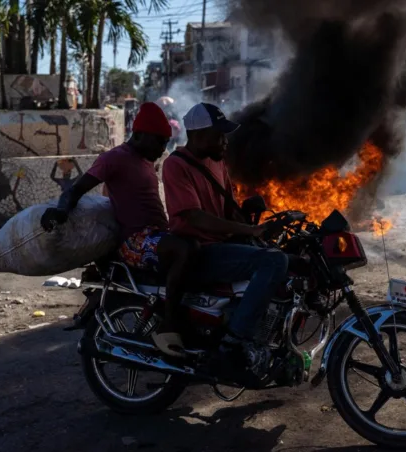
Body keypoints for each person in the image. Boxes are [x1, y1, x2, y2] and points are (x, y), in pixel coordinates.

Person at [41, 102, 198, 357]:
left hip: (156, 236)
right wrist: (60, 211)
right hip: (134, 241)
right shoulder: (114, 158)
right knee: (184, 249)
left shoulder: (146, 161)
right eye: (159, 141)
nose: (162, 149)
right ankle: (170, 325)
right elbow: (76, 189)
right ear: (138, 135)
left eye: (165, 142)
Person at [162, 102, 289, 376]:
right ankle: (234, 343)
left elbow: (229, 207)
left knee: (287, 257)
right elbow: (195, 217)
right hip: (201, 252)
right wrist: (251, 232)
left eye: (225, 135)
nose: (225, 141)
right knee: (273, 263)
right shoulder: (175, 165)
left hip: (223, 245)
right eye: (218, 135)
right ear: (197, 136)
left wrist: (258, 221)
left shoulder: (218, 163)